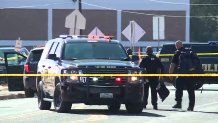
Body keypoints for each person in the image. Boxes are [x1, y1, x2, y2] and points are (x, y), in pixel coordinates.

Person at [169, 40, 195, 111]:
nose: (175, 47)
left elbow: (172, 65)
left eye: (176, 45)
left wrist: (170, 74)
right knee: (191, 90)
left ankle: (178, 103)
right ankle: (191, 106)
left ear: (178, 46)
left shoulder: (177, 53)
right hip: (190, 74)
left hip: (181, 74)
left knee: (179, 89)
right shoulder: (190, 52)